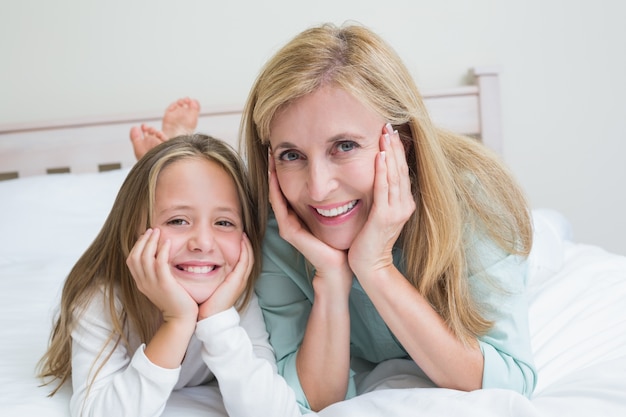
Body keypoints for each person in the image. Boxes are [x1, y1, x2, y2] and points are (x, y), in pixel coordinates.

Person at [131, 23, 537, 413]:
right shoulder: (276, 228)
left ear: (403, 142)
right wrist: (330, 277)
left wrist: (375, 267)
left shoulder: (473, 196)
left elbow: (510, 383)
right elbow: (307, 399)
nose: (319, 188)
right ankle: (167, 152)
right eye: (291, 155)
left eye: (344, 146)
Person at [38, 135, 301, 417]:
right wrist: (177, 322)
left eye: (224, 222)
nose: (203, 243)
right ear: (132, 231)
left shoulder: (235, 296)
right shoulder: (101, 301)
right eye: (178, 221)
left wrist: (217, 320)